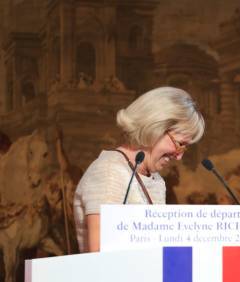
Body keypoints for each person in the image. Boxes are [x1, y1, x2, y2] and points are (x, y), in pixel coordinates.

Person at [74, 87, 205, 252]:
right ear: (155, 127)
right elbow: (102, 259)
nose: (179, 157)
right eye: (179, 144)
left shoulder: (155, 180)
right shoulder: (110, 172)